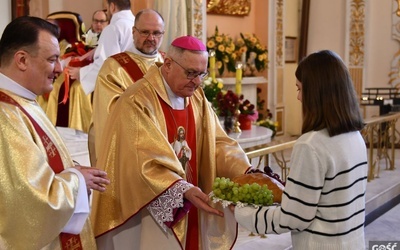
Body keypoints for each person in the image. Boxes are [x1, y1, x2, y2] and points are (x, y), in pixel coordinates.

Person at [91, 36, 254, 249]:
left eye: (201, 74)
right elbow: (141, 160)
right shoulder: (137, 100)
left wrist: (245, 170)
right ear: (167, 64)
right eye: (190, 73)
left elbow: (218, 143)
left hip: (194, 199)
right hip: (152, 207)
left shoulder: (196, 98)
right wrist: (180, 188)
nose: (196, 81)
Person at [232, 50, 368, 249]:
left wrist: (242, 212)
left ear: (316, 92)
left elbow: (293, 218)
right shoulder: (354, 136)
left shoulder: (311, 145)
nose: (298, 97)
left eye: (300, 89)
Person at [0, 16, 110, 249]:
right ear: (21, 60)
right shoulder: (5, 115)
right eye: (52, 60)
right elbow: (30, 200)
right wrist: (78, 180)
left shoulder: (21, 100)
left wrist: (71, 168)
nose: (60, 69)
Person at [90, 8, 165, 166]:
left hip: (167, 147)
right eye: (145, 32)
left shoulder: (168, 65)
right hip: (131, 151)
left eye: (157, 33)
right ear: (133, 31)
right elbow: (109, 113)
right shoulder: (114, 67)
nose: (151, 38)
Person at [67, 0, 135, 95]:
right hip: (135, 83)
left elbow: (106, 65)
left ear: (112, 6)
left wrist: (81, 73)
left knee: (76, 90)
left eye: (106, 9)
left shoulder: (113, 29)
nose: (107, 12)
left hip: (118, 87)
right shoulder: (137, 24)